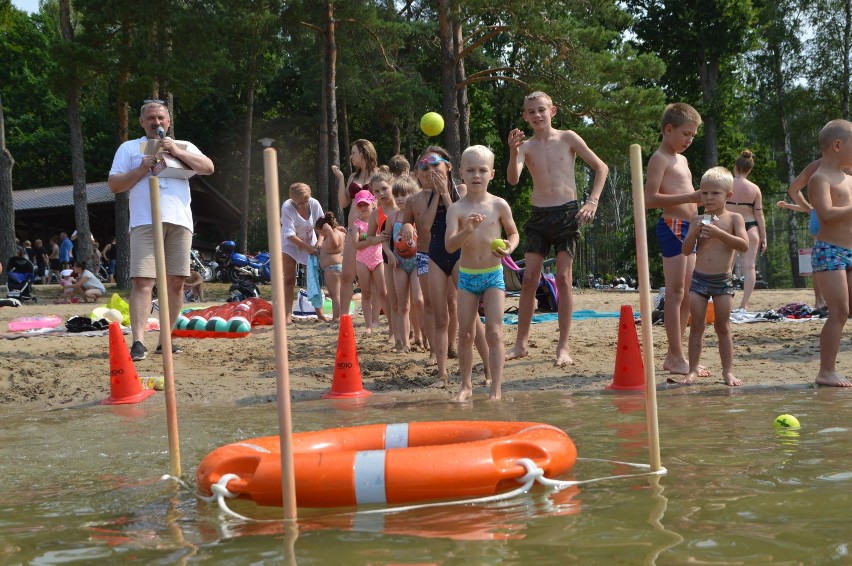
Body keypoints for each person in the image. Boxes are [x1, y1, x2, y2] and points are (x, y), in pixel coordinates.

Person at [505, 91, 609, 367]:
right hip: (539, 216)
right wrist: (514, 150)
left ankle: (563, 347)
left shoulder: (569, 137)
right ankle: (520, 344)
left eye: (541, 110)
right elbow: (513, 180)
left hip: (567, 214)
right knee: (528, 279)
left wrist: (593, 200)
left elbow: (601, 167)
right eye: (531, 112)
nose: (537, 115)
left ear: (552, 111)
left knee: (563, 277)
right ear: (525, 117)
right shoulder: (525, 147)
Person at [108, 100, 214, 361]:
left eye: (161, 118)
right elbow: (114, 185)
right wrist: (141, 168)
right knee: (143, 281)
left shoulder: (184, 145)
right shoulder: (129, 148)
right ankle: (138, 342)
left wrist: (177, 151)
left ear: (169, 121)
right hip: (145, 221)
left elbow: (209, 168)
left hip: (179, 221)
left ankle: (165, 339)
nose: (157, 122)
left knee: (176, 282)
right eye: (151, 118)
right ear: (142, 122)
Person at [446, 145, 520, 401]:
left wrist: (510, 247)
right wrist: (467, 230)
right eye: (470, 170)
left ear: (492, 174)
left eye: (482, 170)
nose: (476, 175)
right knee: (465, 333)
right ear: (461, 174)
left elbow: (513, 232)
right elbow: (449, 245)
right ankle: (466, 385)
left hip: (493, 275)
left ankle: (496, 389)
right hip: (467, 276)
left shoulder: (499, 205)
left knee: (494, 331)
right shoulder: (456, 209)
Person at [644, 102, 705, 376]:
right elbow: (649, 199)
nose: (689, 140)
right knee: (675, 293)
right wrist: (691, 197)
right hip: (671, 226)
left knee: (687, 294)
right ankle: (677, 355)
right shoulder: (660, 158)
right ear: (668, 130)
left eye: (693, 135)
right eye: (685, 134)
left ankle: (674, 354)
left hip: (690, 227)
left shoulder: (682, 159)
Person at [672, 167, 748, 386]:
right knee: (696, 325)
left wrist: (719, 234)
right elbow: (686, 250)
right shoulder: (699, 218)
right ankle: (693, 369)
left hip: (723, 281)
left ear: (728, 195)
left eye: (715, 193)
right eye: (704, 193)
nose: (709, 198)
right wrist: (694, 231)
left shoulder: (734, 218)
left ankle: (728, 372)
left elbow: (743, 245)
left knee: (723, 327)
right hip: (699, 279)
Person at [808, 119, 852, 387]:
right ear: (837, 145)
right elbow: (825, 214)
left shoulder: (849, 179)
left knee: (847, 310)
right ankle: (826, 371)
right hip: (830, 252)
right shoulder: (819, 178)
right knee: (839, 311)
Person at [331, 139, 380, 320]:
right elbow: (343, 203)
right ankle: (343, 316)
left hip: (372, 231)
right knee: (347, 275)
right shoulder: (353, 177)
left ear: (364, 152)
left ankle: (374, 317)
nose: (351, 156)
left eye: (353, 153)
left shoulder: (378, 175)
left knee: (374, 279)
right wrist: (342, 178)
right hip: (353, 231)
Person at [777, 159, 827, 312]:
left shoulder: (814, 166)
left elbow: (793, 190)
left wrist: (809, 209)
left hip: (817, 215)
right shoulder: (843, 164)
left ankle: (820, 301)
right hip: (832, 217)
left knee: (819, 261)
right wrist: (808, 209)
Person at [726, 150, 766, 312]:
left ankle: (725, 300)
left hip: (730, 227)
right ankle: (744, 304)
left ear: (735, 166)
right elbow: (759, 214)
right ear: (749, 169)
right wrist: (764, 237)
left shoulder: (726, 184)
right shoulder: (754, 189)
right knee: (749, 267)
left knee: (726, 266)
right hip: (750, 227)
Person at [280, 182, 326, 324]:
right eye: (299, 203)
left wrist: (319, 242)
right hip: (291, 244)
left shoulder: (314, 204)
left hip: (310, 241)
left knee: (312, 278)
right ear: (293, 200)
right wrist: (307, 247)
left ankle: (320, 313)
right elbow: (289, 234)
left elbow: (322, 226)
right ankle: (287, 315)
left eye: (306, 201)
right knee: (288, 278)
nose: (303, 205)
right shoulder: (287, 207)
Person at [352, 189, 388, 333]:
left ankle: (376, 321)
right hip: (362, 260)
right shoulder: (357, 224)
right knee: (366, 292)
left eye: (366, 204)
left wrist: (366, 239)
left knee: (381, 291)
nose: (363, 207)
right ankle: (368, 324)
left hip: (378, 259)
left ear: (373, 203)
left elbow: (383, 237)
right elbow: (356, 245)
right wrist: (373, 240)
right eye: (360, 205)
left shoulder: (380, 221)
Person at [315, 212, 346, 322]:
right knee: (340, 293)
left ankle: (337, 317)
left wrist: (329, 231)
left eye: (321, 232)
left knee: (334, 294)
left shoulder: (333, 236)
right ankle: (342, 314)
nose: (321, 235)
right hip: (339, 267)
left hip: (332, 269)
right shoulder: (340, 232)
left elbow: (335, 244)